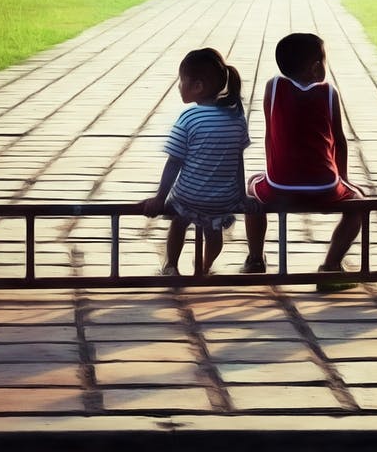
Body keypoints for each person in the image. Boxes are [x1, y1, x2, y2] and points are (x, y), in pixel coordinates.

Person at [242, 32, 365, 289]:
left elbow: (271, 134)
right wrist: (342, 178)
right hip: (324, 187)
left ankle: (255, 259)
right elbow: (339, 141)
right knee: (359, 203)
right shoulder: (329, 93)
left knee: (251, 190)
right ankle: (330, 266)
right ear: (317, 67)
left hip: (279, 186)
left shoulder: (272, 87)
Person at [140, 47, 252, 275]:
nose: (179, 86)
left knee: (178, 223)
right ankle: (205, 265)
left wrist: (160, 197)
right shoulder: (237, 117)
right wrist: (241, 196)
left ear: (198, 86)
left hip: (189, 196)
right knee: (214, 233)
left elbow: (174, 162)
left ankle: (171, 265)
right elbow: (237, 161)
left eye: (182, 81)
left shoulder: (189, 117)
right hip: (223, 199)